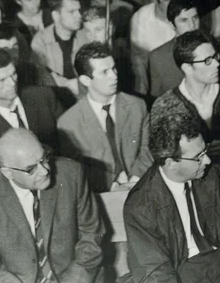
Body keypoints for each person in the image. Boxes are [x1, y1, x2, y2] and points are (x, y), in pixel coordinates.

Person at [123, 106, 220, 283]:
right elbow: (154, 271)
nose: (208, 161)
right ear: (171, 163)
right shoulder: (140, 205)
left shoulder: (214, 173)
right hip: (180, 271)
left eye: (206, 151)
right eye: (198, 157)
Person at [0, 128, 105, 283]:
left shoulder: (71, 175)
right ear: (8, 173)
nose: (44, 170)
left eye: (44, 158)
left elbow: (92, 234)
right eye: (31, 169)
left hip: (74, 277)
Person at [151, 30, 220, 181]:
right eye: (207, 61)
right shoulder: (164, 106)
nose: (217, 64)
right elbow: (164, 165)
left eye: (216, 56)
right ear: (187, 68)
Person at [57, 42, 152, 192]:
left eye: (114, 68)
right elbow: (78, 169)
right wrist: (114, 186)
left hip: (141, 185)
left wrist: (135, 180)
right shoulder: (68, 123)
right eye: (105, 72)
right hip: (102, 193)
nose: (114, 76)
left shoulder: (137, 106)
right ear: (85, 80)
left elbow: (148, 148)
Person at [0, 47, 62, 177]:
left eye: (13, 74)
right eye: (2, 80)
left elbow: (67, 147)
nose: (12, 83)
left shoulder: (43, 97)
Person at [31, 0, 88, 101]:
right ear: (56, 16)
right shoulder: (40, 41)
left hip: (84, 96)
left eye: (79, 10)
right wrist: (71, 84)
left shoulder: (86, 35)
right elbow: (44, 77)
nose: (79, 16)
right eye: (72, 12)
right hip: (56, 98)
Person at [148, 0, 201, 99]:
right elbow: (156, 100)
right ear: (172, 25)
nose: (192, 25)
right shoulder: (158, 57)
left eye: (195, 18)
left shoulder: (215, 49)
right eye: (184, 20)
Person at [129, 0, 177, 96]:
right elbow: (139, 58)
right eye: (168, 0)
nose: (174, 4)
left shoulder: (184, 14)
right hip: (153, 74)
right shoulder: (141, 18)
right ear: (156, 0)